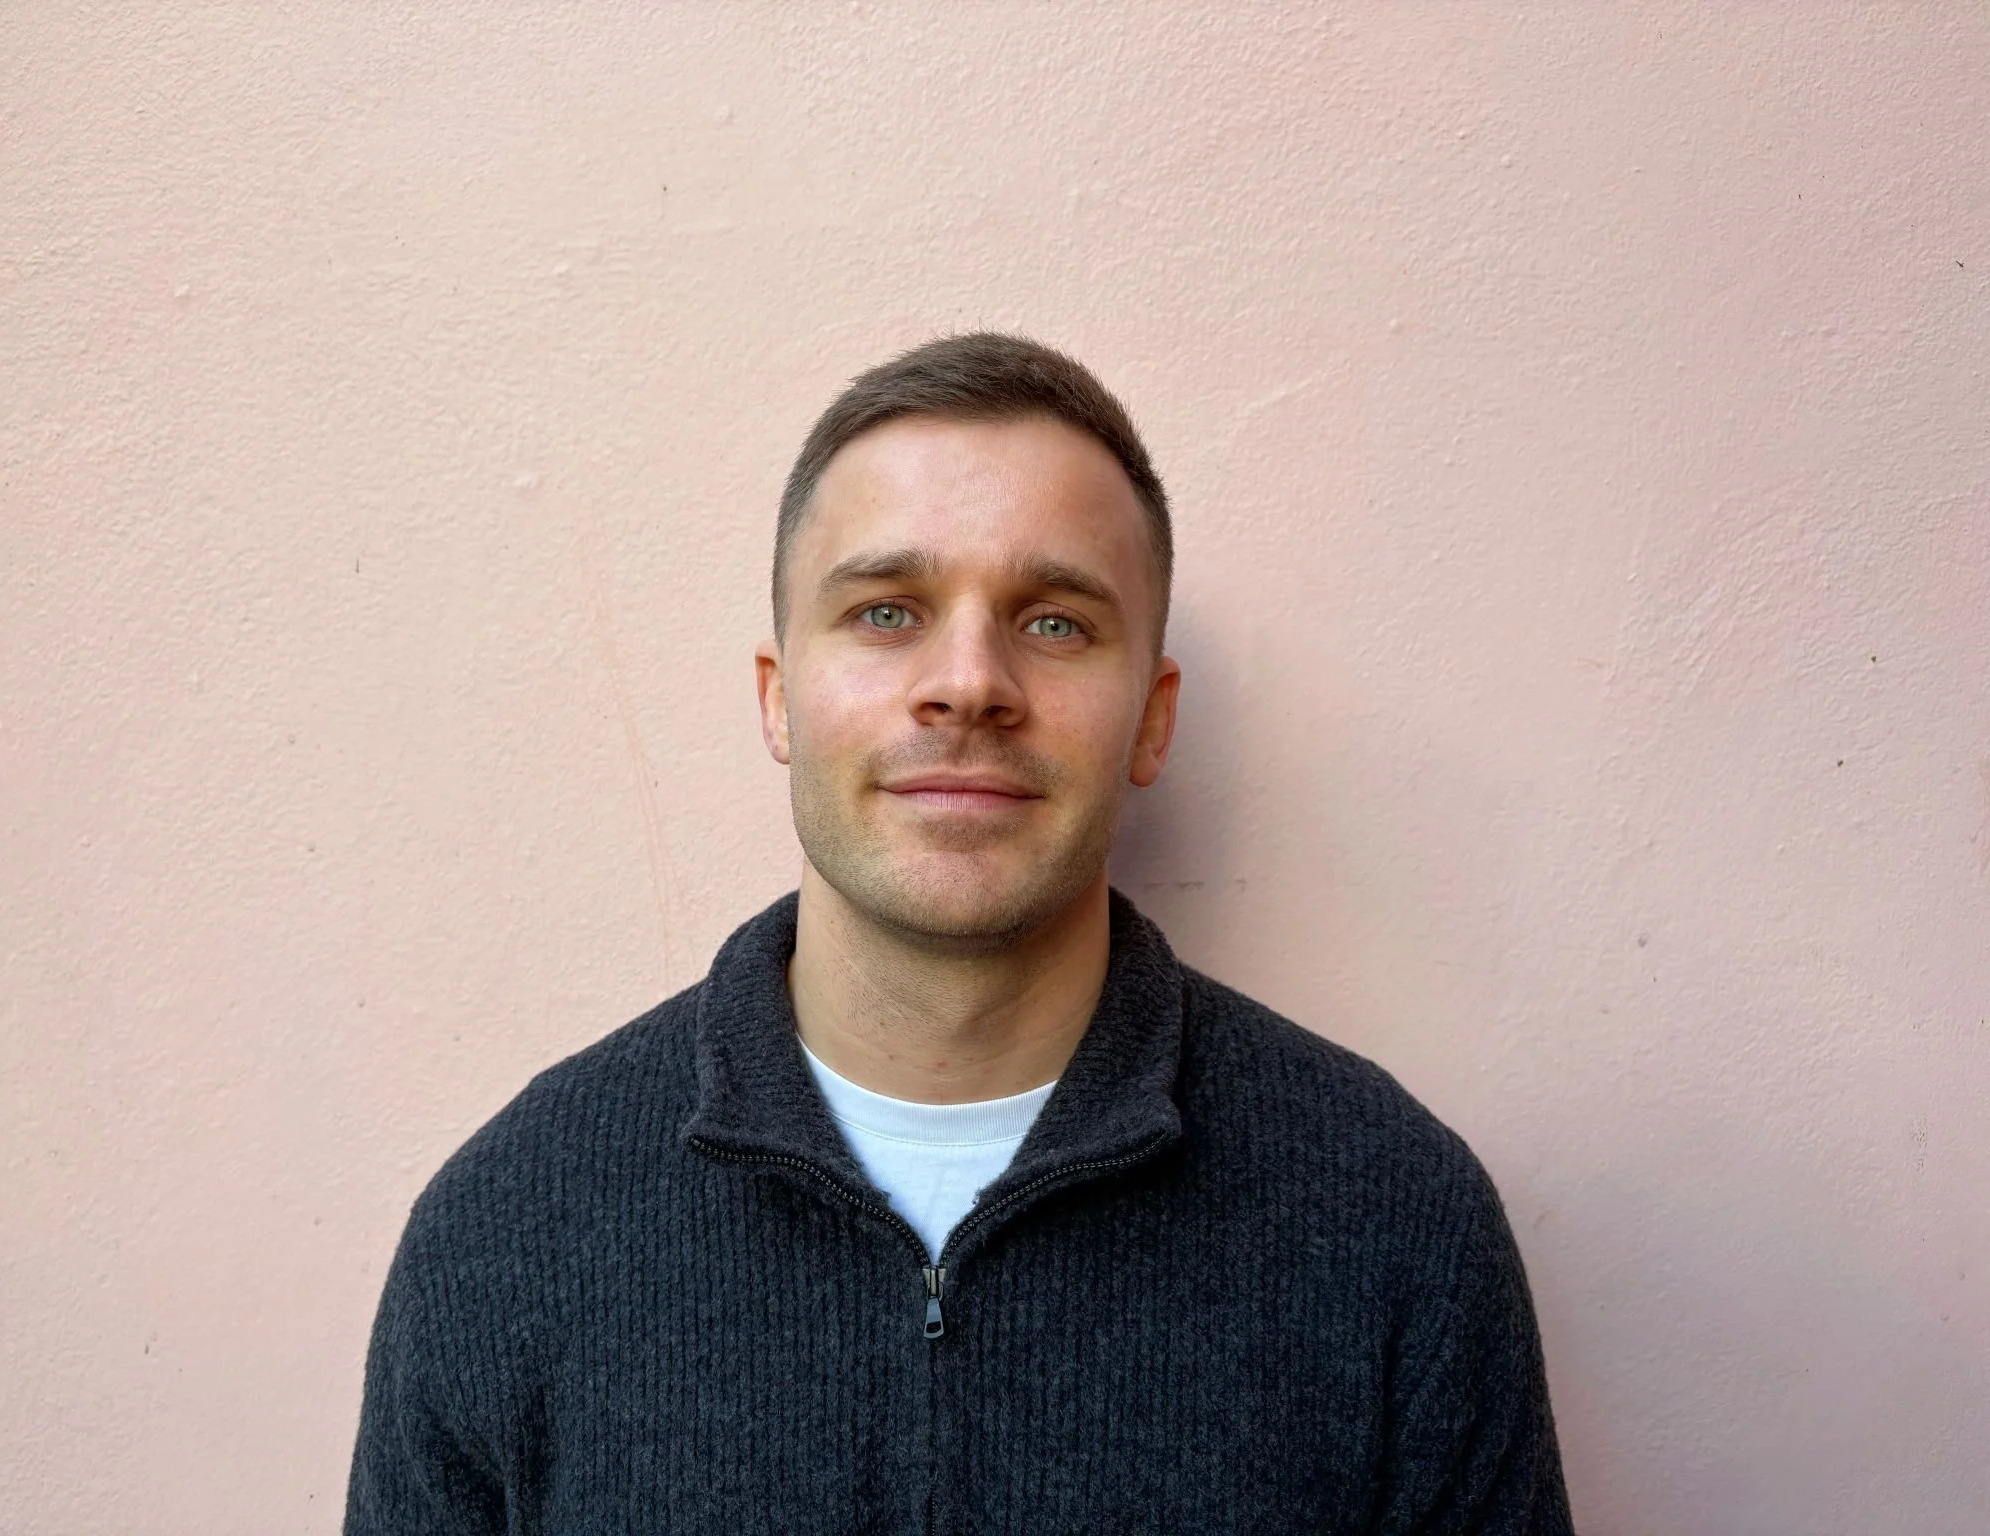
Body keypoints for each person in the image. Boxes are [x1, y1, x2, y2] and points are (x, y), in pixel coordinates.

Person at [344, 333, 1574, 1533]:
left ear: (1151, 722)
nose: (968, 680)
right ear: (780, 701)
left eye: (1053, 621)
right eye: (886, 612)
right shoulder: (508, 1230)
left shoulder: (1393, 1227)